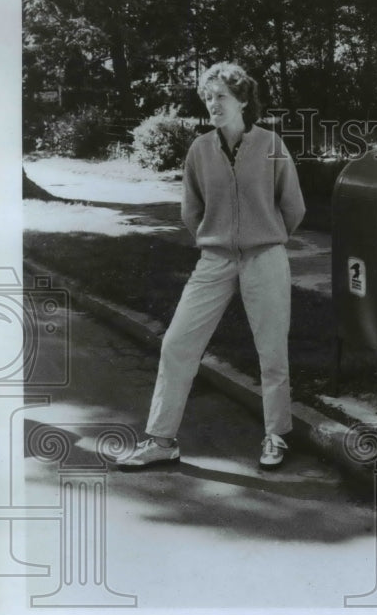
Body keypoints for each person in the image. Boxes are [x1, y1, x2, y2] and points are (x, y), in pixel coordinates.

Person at [117, 61, 305, 471]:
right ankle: (161, 440)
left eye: (220, 96)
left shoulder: (271, 143)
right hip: (215, 259)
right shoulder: (200, 149)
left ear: (242, 100)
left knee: (271, 351)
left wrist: (267, 236)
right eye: (208, 98)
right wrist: (215, 239)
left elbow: (293, 206)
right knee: (177, 343)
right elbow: (191, 210)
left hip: (264, 256)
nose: (213, 104)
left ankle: (276, 435)